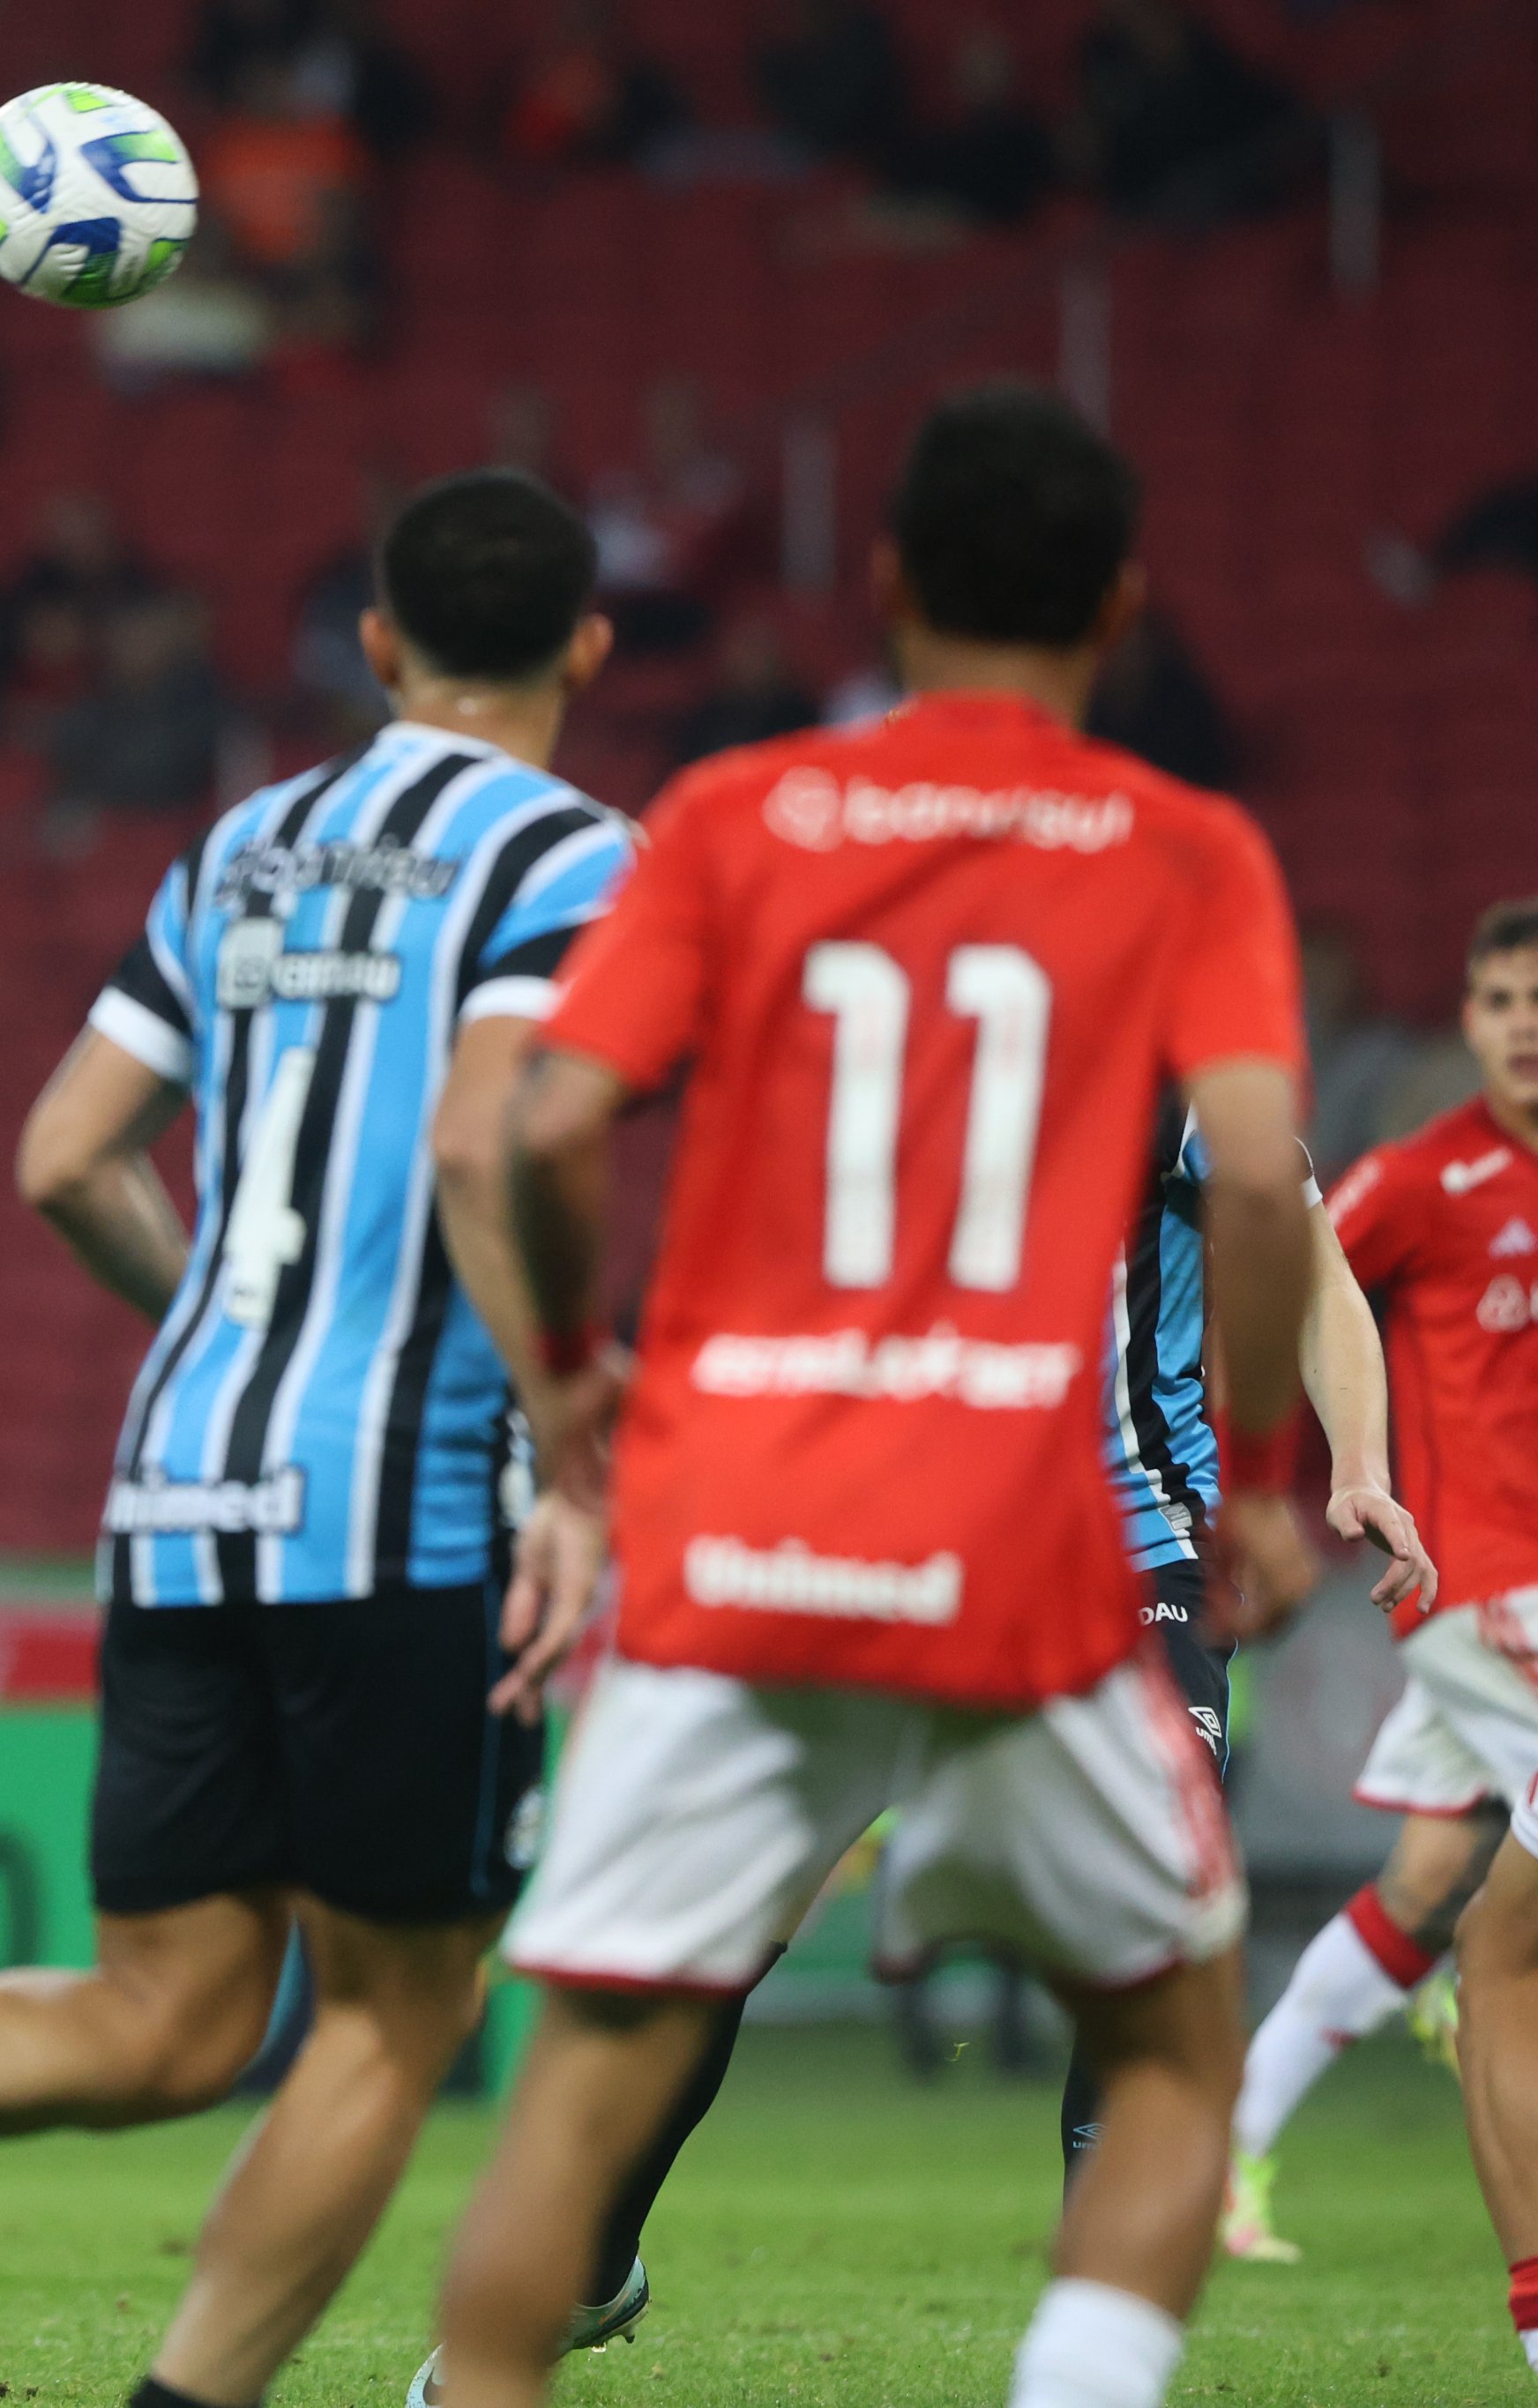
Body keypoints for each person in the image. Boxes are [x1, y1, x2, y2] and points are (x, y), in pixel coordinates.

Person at [0, 471, 633, 2399]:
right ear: (583, 646)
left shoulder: (240, 843)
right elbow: (494, 1144)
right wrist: (572, 1431)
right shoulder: (574, 857)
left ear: (379, 645)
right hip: (397, 1508)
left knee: (170, 2020)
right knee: (389, 2020)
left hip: (178, 1483)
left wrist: (231, 1341)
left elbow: (65, 1156)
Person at [428, 385, 1322, 2408]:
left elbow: (547, 1124)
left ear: (887, 578)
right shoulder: (1184, 851)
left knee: (592, 2068)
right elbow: (1259, 1178)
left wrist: (572, 1374)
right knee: (1175, 2049)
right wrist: (1257, 1475)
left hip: (736, 1521)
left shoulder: (733, 818)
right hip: (1032, 1538)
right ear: (1120, 605)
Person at [429, 1012, 1439, 2400]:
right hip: (878, 1565)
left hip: (1125, 1567)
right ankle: (587, 2260)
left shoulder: (1162, 1076)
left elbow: (1312, 1260)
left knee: (1151, 1951)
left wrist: (1356, 1462)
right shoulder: (851, 1081)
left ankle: (1093, 2369)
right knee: (727, 1926)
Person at [1279, 905, 1538, 2315]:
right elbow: (1304, 1278)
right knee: (1494, 1944)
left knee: (1458, 1908)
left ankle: (1235, 2147)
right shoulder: (1427, 1178)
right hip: (1483, 1591)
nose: (1524, 1023)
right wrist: (1300, 1476)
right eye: (1497, 996)